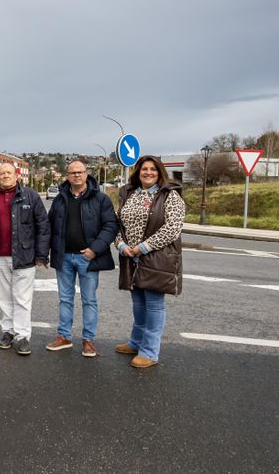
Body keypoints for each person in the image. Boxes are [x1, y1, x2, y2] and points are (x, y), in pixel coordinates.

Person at [114, 156, 184, 368]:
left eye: (153, 169)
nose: (148, 172)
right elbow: (117, 223)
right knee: (138, 303)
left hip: (155, 257)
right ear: (138, 171)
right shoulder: (129, 193)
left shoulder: (170, 196)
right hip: (130, 257)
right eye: (144, 169)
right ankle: (136, 342)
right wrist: (120, 245)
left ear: (160, 172)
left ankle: (150, 351)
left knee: (153, 304)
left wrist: (143, 247)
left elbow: (172, 229)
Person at [45, 160, 118, 357]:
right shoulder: (60, 199)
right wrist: (44, 253)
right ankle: (64, 336)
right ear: (67, 176)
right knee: (65, 299)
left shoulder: (101, 199)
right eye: (72, 172)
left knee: (89, 300)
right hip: (64, 257)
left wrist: (95, 249)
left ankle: (88, 340)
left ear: (87, 174)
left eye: (80, 172)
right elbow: (48, 227)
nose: (77, 175)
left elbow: (111, 226)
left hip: (88, 258)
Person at [0, 163, 49, 355]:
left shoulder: (31, 196)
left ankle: (22, 335)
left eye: (9, 172)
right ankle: (8, 332)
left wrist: (42, 255)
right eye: (2, 173)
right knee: (4, 298)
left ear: (16, 175)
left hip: (24, 256)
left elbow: (43, 225)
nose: (5, 176)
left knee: (22, 299)